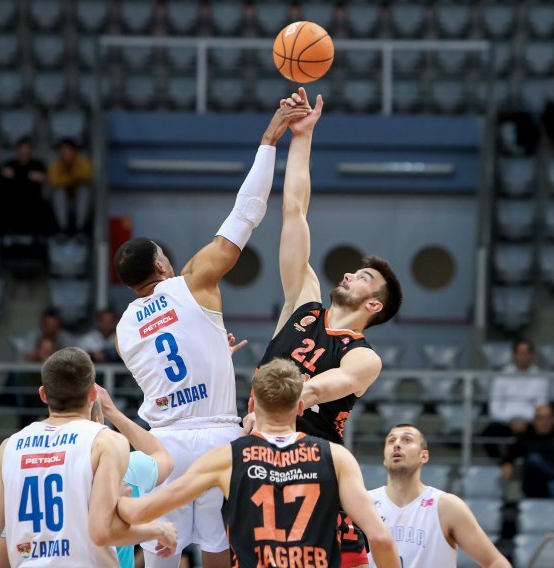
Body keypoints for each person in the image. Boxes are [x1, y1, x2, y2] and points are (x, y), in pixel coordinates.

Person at [113, 98, 309, 568]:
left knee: (161, 550)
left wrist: (209, 349)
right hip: (220, 439)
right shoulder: (193, 280)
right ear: (162, 263)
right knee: (226, 551)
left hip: (168, 445)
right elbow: (246, 214)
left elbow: (166, 362)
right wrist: (269, 141)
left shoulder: (123, 328)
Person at [249, 87, 402, 567]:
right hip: (254, 460)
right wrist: (302, 137)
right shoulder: (303, 301)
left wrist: (278, 405)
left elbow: (320, 388)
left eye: (363, 277)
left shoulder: (364, 356)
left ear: (373, 304)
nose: (350, 274)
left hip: (312, 470)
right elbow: (294, 210)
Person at [117, 359, 401, 568]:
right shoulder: (336, 457)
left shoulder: (226, 457)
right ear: (300, 407)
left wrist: (154, 527)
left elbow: (145, 510)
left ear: (252, 406)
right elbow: (381, 539)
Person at [0, 347, 176, 567]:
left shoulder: (8, 448)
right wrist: (157, 529)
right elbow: (101, 531)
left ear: (43, 395)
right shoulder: (106, 442)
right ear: (93, 394)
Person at [367, 424, 511, 568]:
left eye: (407, 440)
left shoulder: (446, 506)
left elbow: (496, 562)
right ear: (384, 458)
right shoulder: (364, 504)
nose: (397, 444)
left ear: (424, 456)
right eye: (391, 441)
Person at [501, 404, 554, 499]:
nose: (544, 422)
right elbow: (509, 456)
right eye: (540, 418)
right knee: (533, 459)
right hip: (533, 485)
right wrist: (507, 464)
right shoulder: (526, 437)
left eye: (548, 418)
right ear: (534, 420)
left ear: (553, 419)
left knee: (553, 483)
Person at [481, 338, 549, 459]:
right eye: (520, 353)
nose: (523, 357)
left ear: (531, 355)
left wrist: (525, 421)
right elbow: (495, 407)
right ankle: (502, 464)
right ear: (514, 355)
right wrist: (511, 421)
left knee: (542, 434)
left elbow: (541, 406)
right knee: (487, 433)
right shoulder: (502, 376)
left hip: (530, 423)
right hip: (506, 422)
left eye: (526, 353)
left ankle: (528, 466)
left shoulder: (540, 377)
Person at [0, 137, 51, 236]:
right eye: (22, 149)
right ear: (17, 150)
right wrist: (2, 174)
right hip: (12, 202)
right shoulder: (9, 165)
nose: (25, 152)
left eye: (27, 149)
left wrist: (44, 178)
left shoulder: (38, 165)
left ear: (31, 150)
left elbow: (48, 180)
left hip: (34, 202)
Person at [47, 138, 93, 234]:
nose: (66, 154)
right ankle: (62, 228)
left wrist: (68, 174)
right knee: (59, 191)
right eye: (63, 151)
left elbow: (87, 176)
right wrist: (73, 178)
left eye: (68, 151)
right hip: (62, 204)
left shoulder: (82, 162)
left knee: (83, 188)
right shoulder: (55, 165)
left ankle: (80, 227)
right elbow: (54, 181)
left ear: (74, 152)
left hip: (79, 203)